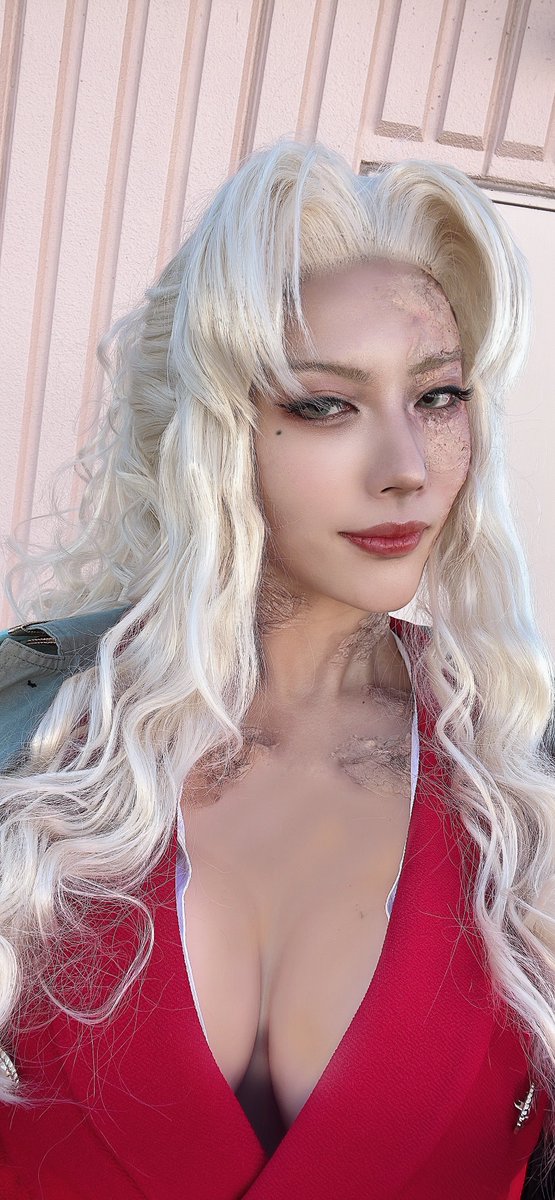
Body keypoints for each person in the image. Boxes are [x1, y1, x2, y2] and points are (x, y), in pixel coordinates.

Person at [0, 138, 553, 1200]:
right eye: (325, 404)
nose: (404, 468)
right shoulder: (30, 743)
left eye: (438, 397)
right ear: (211, 432)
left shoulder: (528, 785)